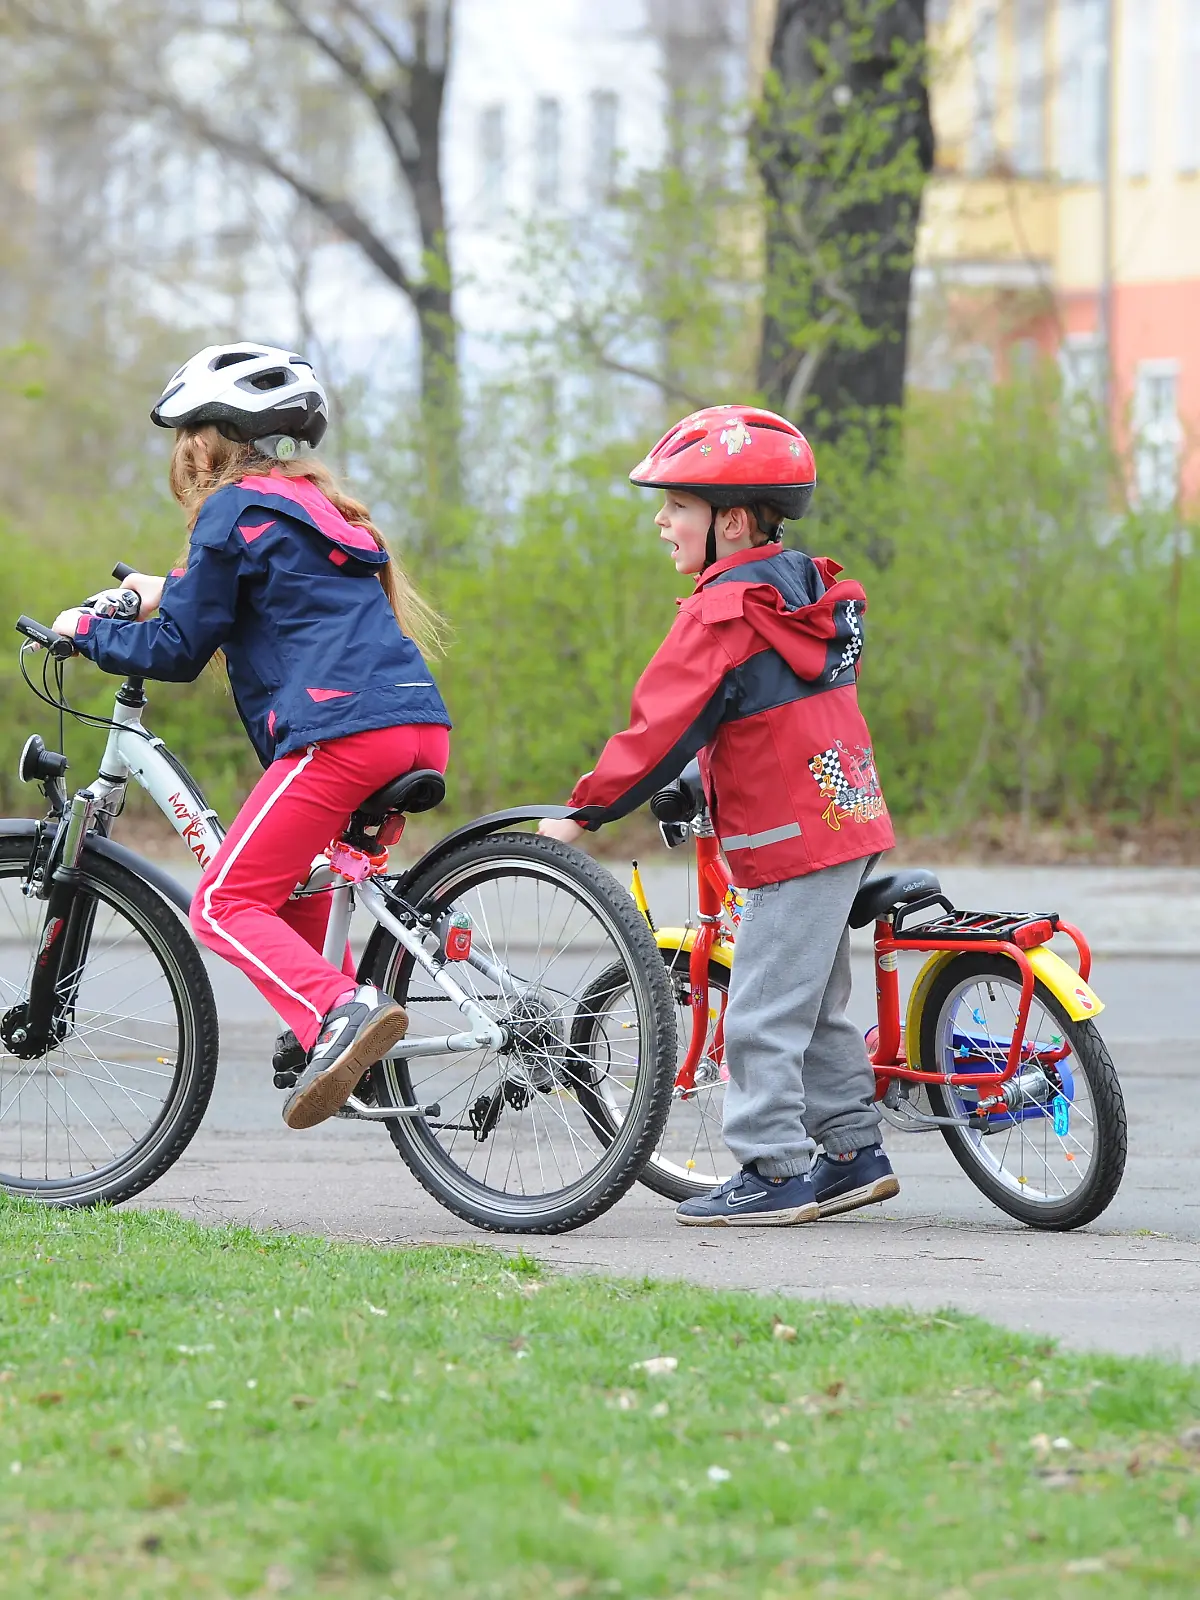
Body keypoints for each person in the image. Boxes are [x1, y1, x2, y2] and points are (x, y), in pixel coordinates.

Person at [50, 342, 451, 1131]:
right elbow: (274, 595)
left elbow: (179, 649)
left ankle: (341, 1010)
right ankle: (333, 1036)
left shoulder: (228, 508)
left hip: (342, 734)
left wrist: (87, 630)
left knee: (224, 903)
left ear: (204, 441)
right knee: (292, 884)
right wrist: (160, 589)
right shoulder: (314, 505)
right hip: (415, 726)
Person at [539, 404, 899, 1226]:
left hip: (790, 838)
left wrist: (585, 812)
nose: (662, 521)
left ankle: (774, 1169)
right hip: (847, 817)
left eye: (677, 507)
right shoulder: (801, 590)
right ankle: (852, 1152)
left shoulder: (718, 613)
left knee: (764, 1009)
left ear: (730, 522)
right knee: (812, 999)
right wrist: (704, 780)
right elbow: (754, 715)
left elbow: (658, 725)